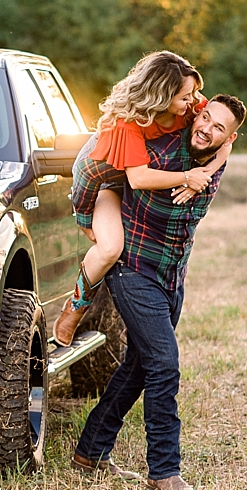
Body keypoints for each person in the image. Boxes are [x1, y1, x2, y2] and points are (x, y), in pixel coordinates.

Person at [71, 94, 247, 490]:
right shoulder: (158, 148)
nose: (207, 129)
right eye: (205, 119)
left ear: (230, 136)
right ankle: (164, 471)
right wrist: (89, 218)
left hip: (172, 273)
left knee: (140, 363)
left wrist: (211, 165)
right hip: (132, 267)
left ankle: (90, 451)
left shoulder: (218, 153)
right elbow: (108, 169)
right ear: (196, 113)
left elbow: (224, 148)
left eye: (219, 128)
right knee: (164, 364)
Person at [54, 51, 231, 346]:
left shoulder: (190, 105)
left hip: (140, 186)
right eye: (187, 97)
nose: (196, 102)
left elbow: (225, 139)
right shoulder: (127, 123)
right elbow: (136, 178)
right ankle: (74, 308)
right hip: (104, 183)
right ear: (162, 96)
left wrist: (205, 172)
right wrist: (84, 218)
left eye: (195, 94)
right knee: (110, 248)